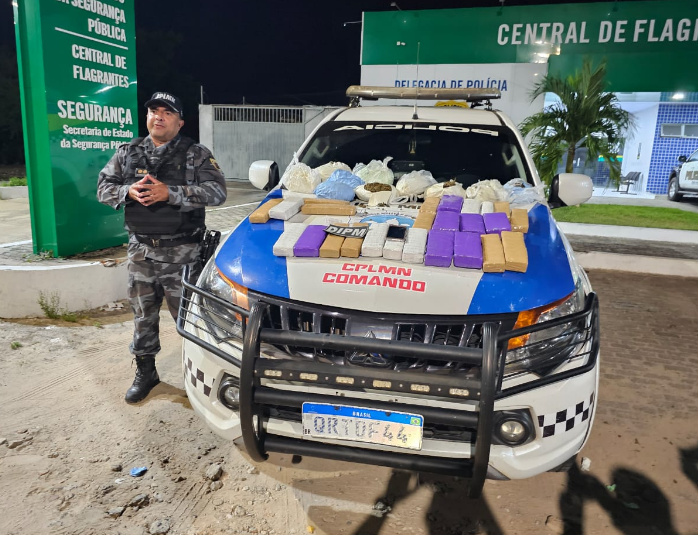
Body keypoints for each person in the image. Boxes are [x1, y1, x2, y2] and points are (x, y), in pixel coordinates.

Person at [97, 91, 227, 404]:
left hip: (181, 253)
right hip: (140, 251)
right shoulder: (128, 152)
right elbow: (104, 188)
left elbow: (217, 192)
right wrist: (128, 192)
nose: (159, 116)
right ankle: (146, 372)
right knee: (143, 314)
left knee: (191, 319)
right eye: (154, 111)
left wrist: (172, 193)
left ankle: (203, 376)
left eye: (167, 112)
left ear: (179, 121)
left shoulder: (196, 153)